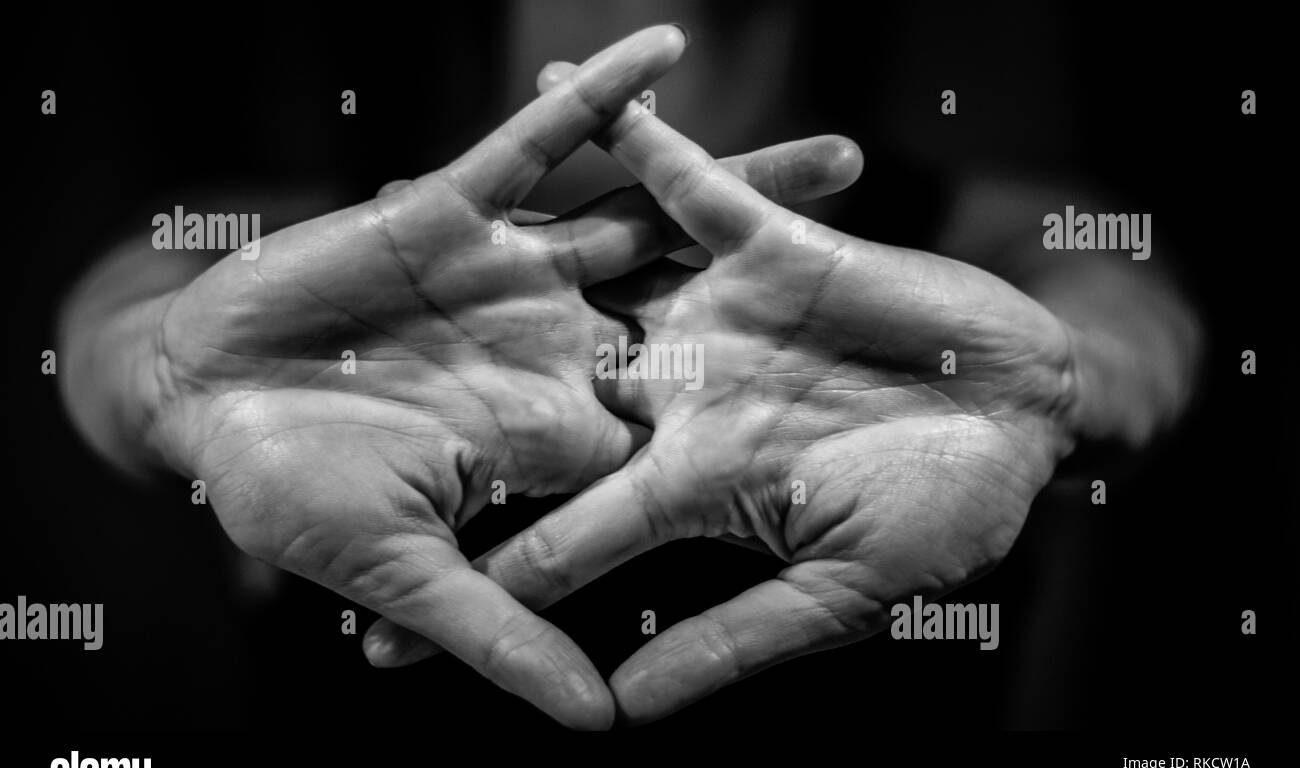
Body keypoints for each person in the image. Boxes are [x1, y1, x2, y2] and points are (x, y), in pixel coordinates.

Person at [53, 10, 1201, 730]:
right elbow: (116, 332)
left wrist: (1051, 394)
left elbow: (1131, 337)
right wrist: (167, 381)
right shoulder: (264, 251)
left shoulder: (1010, 234)